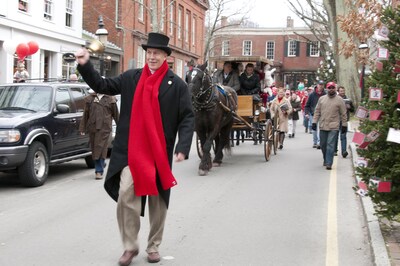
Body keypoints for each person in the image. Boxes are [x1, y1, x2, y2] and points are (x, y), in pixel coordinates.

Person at [75, 32, 195, 265]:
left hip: (159, 151)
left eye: (156, 53)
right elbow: (103, 85)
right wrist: (85, 64)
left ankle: (153, 246)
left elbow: (187, 117)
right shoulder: (131, 78)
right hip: (132, 149)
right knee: (126, 193)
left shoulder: (177, 85)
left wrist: (182, 147)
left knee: (158, 201)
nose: (151, 57)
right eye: (149, 53)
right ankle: (130, 246)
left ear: (165, 57)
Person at [79, 89, 119, 179]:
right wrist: (82, 128)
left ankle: (99, 171)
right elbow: (85, 115)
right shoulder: (89, 99)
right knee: (95, 148)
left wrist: (121, 127)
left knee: (101, 148)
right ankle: (101, 163)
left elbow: (116, 114)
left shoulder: (110, 99)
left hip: (105, 128)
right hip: (93, 128)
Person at [312, 82, 347, 170]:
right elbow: (317, 111)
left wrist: (344, 125)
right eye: (329, 87)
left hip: (334, 126)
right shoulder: (322, 99)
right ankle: (325, 158)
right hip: (323, 125)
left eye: (333, 87)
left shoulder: (339, 100)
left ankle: (329, 162)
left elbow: (343, 114)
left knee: (330, 145)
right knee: (323, 145)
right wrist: (314, 122)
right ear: (327, 89)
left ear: (335, 89)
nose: (331, 89)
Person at [305, 80, 326, 149]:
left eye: (322, 85)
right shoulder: (312, 94)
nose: (321, 86)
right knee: (314, 128)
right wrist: (307, 113)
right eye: (320, 85)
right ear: (317, 85)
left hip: (322, 114)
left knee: (320, 128)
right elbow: (307, 105)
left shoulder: (325, 94)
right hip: (313, 113)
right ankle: (315, 142)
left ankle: (319, 142)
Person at [335, 85, 354, 158]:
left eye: (343, 91)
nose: (342, 92)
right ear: (338, 92)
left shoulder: (348, 100)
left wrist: (349, 107)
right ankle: (334, 150)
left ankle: (344, 151)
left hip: (344, 120)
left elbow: (353, 110)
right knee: (335, 135)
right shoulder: (335, 99)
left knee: (343, 136)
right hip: (336, 120)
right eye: (341, 91)